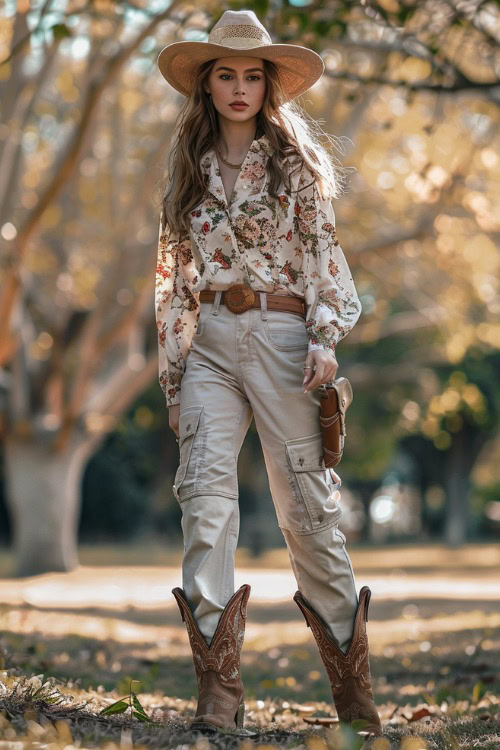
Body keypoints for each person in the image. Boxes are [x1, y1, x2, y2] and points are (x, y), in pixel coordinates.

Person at [155, 9, 382, 738]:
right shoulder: (186, 168)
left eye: (253, 75)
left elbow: (327, 262)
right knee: (205, 504)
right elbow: (170, 279)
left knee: (309, 515)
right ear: (208, 84)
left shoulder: (294, 166)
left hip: (286, 338)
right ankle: (218, 697)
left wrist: (323, 337)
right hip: (209, 345)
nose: (240, 87)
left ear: (269, 86)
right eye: (227, 74)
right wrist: (172, 373)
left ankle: (354, 698)